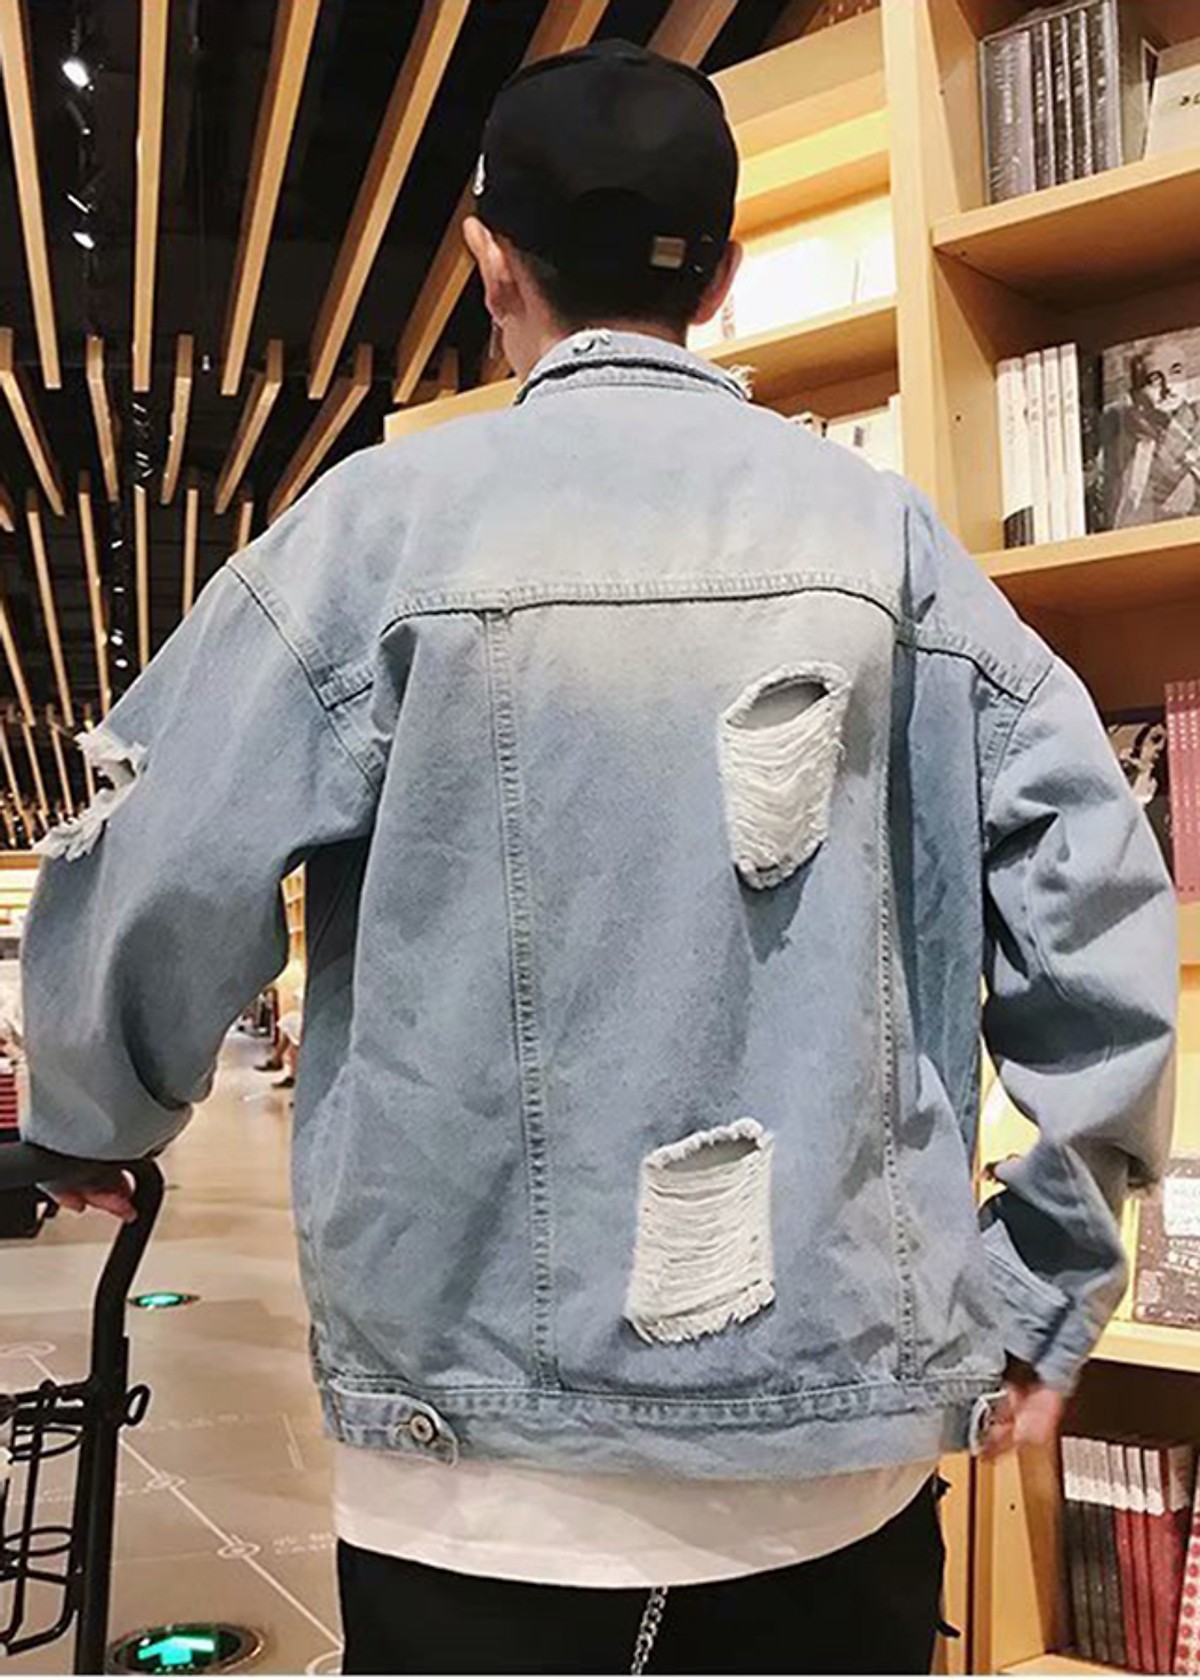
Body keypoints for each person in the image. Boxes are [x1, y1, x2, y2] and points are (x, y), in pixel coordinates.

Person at [20, 41, 1176, 1677]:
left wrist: (93, 1115)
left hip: (472, 1472)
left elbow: (159, 857)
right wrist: (1048, 1270)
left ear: (489, 258)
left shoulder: (376, 533)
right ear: (723, 275)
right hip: (828, 1469)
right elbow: (1094, 892)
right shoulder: (887, 543)